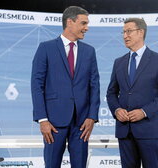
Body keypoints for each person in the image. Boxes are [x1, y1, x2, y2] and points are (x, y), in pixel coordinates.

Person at [31, 6, 100, 168]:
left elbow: (94, 86)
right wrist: (43, 120)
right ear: (70, 22)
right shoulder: (46, 48)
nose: (87, 28)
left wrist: (92, 117)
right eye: (83, 23)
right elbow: (36, 86)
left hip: (82, 124)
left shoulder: (89, 51)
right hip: (53, 124)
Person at [106, 18, 158, 168]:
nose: (125, 36)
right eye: (123, 32)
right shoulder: (119, 62)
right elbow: (111, 93)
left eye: (129, 31)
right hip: (124, 131)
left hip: (149, 131)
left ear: (141, 32)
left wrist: (144, 112)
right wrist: (117, 110)